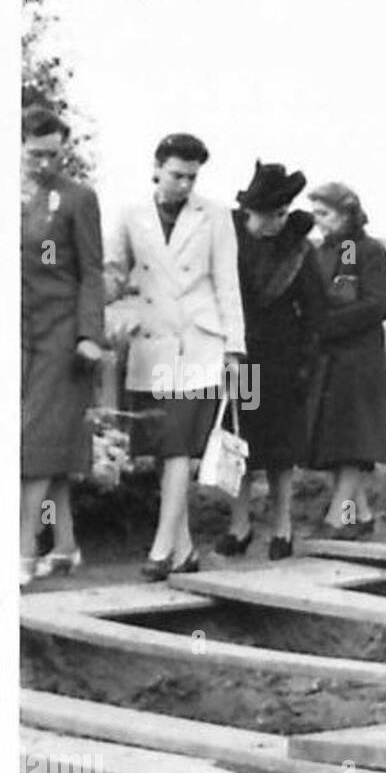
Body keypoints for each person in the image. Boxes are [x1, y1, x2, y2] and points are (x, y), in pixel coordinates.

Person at [105, 132, 245, 579]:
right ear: (157, 168)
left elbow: (227, 283)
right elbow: (112, 273)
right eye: (176, 175)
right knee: (166, 449)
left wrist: (236, 349)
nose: (184, 184)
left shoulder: (216, 215)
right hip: (152, 344)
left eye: (192, 177)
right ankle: (184, 551)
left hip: (200, 344)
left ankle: (161, 549)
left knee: (179, 449)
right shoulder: (130, 214)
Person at [20, 106, 109, 585]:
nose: (44, 163)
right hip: (18, 335)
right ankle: (66, 544)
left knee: (32, 442)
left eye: (53, 154)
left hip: (59, 335)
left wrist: (89, 334)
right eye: (35, 154)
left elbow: (91, 271)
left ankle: (21, 551)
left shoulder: (76, 199)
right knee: (50, 441)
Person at [224, 161, 327, 560]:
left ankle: (282, 525)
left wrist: (306, 361)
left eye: (283, 214)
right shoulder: (228, 242)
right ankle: (239, 524)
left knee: (281, 450)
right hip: (242, 358)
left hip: (283, 360)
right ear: (250, 211)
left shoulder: (298, 251)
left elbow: (316, 310)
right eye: (270, 214)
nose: (277, 222)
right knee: (241, 443)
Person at [306, 182, 386, 539]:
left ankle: (339, 516)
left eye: (324, 214)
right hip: (328, 359)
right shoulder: (320, 252)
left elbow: (376, 304)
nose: (319, 222)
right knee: (336, 442)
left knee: (352, 445)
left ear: (345, 214)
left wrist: (328, 325)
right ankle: (362, 513)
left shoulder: (367, 251)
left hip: (358, 358)